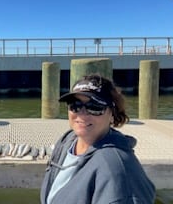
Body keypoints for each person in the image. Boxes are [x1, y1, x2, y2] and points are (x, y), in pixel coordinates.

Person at [41, 74, 155, 204]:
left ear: (112, 113)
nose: (82, 114)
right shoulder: (67, 140)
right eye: (75, 105)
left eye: (95, 107)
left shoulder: (118, 171)